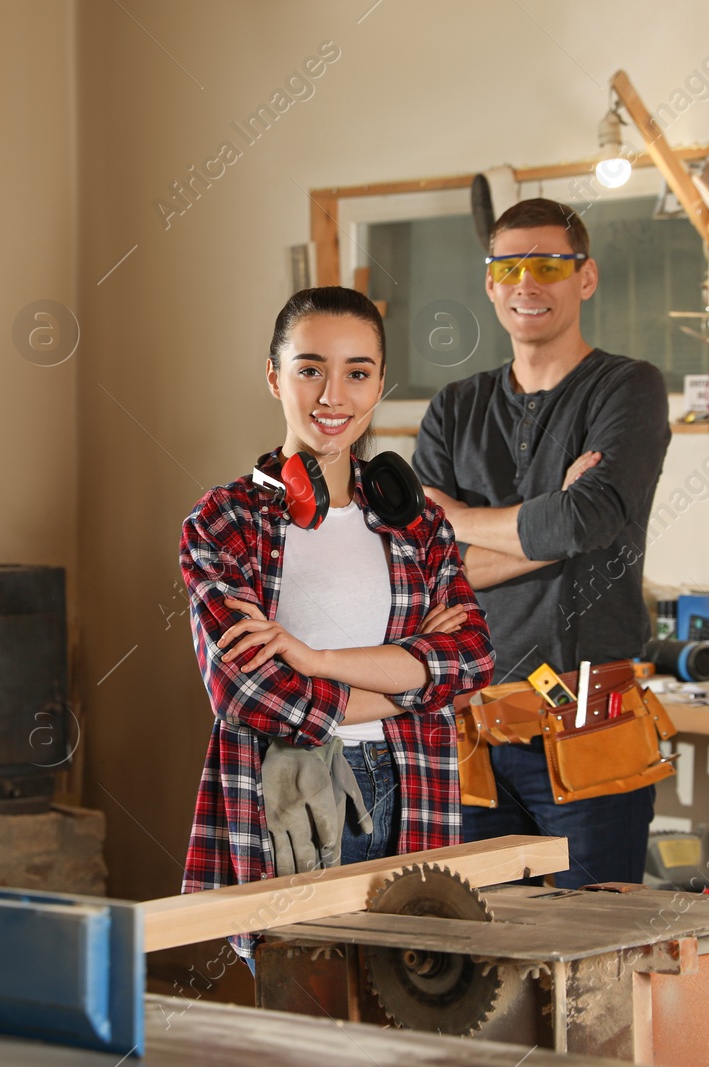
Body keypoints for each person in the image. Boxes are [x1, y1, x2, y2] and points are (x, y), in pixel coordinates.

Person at [179, 286, 494, 960]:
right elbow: (251, 694)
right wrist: (412, 679)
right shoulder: (224, 521)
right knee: (309, 1020)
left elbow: (472, 661)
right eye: (310, 368)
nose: (333, 395)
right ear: (274, 376)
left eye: (357, 372)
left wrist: (314, 658)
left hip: (415, 784)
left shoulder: (419, 522)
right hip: (297, 787)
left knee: (409, 1004)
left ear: (381, 383)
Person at [411, 197, 670, 887]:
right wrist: (556, 521)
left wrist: (455, 517)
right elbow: (424, 564)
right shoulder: (455, 407)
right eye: (511, 266)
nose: (529, 283)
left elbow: (589, 519)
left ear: (585, 277)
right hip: (470, 721)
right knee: (483, 966)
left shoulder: (628, 388)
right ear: (491, 283)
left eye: (550, 265)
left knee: (594, 957)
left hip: (589, 719)